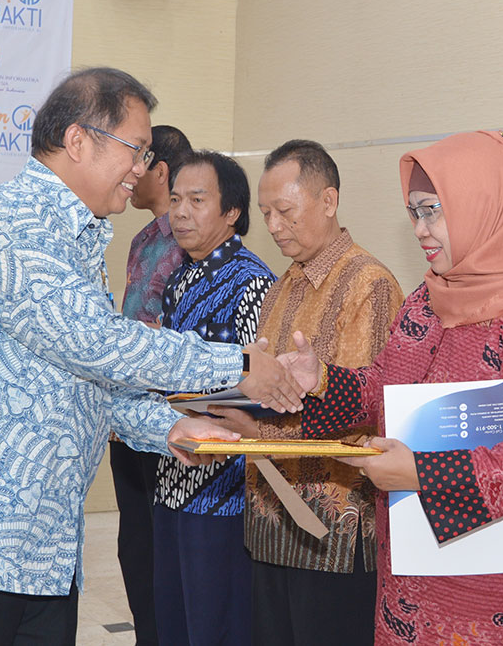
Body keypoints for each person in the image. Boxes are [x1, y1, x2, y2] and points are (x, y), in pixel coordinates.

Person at [0, 67, 304, 645]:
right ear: (78, 141)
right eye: (136, 150)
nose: (143, 170)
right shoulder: (13, 223)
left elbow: (83, 379)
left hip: (35, 555)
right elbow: (96, 342)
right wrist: (238, 366)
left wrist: (169, 428)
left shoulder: (76, 238)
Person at [277, 131, 503, 645]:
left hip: (497, 590)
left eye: (433, 211)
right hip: (411, 572)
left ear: (486, 208)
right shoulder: (429, 300)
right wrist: (322, 380)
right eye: (414, 212)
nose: (420, 229)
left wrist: (422, 474)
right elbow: (382, 389)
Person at [211, 139, 403, 646]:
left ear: (329, 200)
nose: (274, 225)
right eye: (266, 213)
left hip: (333, 534)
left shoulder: (369, 284)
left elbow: (367, 413)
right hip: (270, 520)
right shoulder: (282, 285)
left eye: (285, 211)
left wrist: (256, 432)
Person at [151, 150, 276, 645]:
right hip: (172, 474)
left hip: (224, 490)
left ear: (232, 212)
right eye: (175, 199)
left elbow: (258, 387)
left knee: (217, 625)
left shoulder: (253, 283)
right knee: (173, 622)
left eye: (197, 200)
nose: (180, 212)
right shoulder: (178, 279)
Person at [109, 124, 191, 646]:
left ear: (161, 170)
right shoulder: (141, 239)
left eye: (142, 162)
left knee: (165, 551)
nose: (133, 173)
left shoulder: (190, 242)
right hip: (125, 418)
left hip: (168, 424)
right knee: (134, 547)